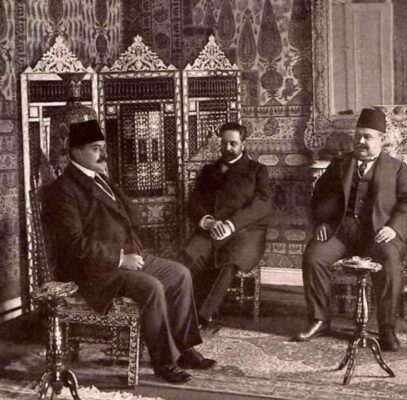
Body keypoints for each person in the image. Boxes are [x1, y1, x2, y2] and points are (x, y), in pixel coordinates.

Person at [45, 120, 216, 384]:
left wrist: (130, 249)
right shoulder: (64, 190)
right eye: (95, 148)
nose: (103, 154)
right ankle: (164, 362)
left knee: (179, 273)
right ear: (75, 152)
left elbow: (130, 216)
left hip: (123, 257)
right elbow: (73, 244)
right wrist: (120, 259)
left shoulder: (100, 177)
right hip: (91, 271)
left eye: (103, 147)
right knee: (151, 287)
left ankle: (184, 348)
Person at [293, 108, 407, 352]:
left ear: (381, 139)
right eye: (358, 135)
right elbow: (319, 196)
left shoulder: (396, 167)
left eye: (367, 137)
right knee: (314, 256)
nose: (360, 141)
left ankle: (387, 327)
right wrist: (322, 223)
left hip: (378, 234)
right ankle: (319, 320)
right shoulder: (340, 164)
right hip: (342, 232)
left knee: (390, 261)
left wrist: (394, 228)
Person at [181, 122, 272, 328]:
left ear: (243, 144)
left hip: (246, 232)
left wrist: (231, 225)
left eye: (233, 143)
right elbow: (193, 202)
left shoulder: (257, 170)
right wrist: (207, 221)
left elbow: (263, 205)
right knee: (189, 256)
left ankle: (201, 317)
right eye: (224, 143)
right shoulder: (208, 171)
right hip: (212, 229)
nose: (227, 148)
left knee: (228, 262)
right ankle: (180, 308)